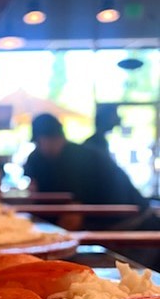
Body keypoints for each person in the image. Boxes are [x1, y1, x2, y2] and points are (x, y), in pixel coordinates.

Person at [23, 113, 159, 267]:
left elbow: (73, 217)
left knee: (130, 277)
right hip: (108, 228)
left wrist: (45, 245)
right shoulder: (39, 158)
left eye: (41, 141)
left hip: (134, 227)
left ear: (49, 138)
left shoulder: (76, 158)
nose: (41, 147)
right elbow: (33, 193)